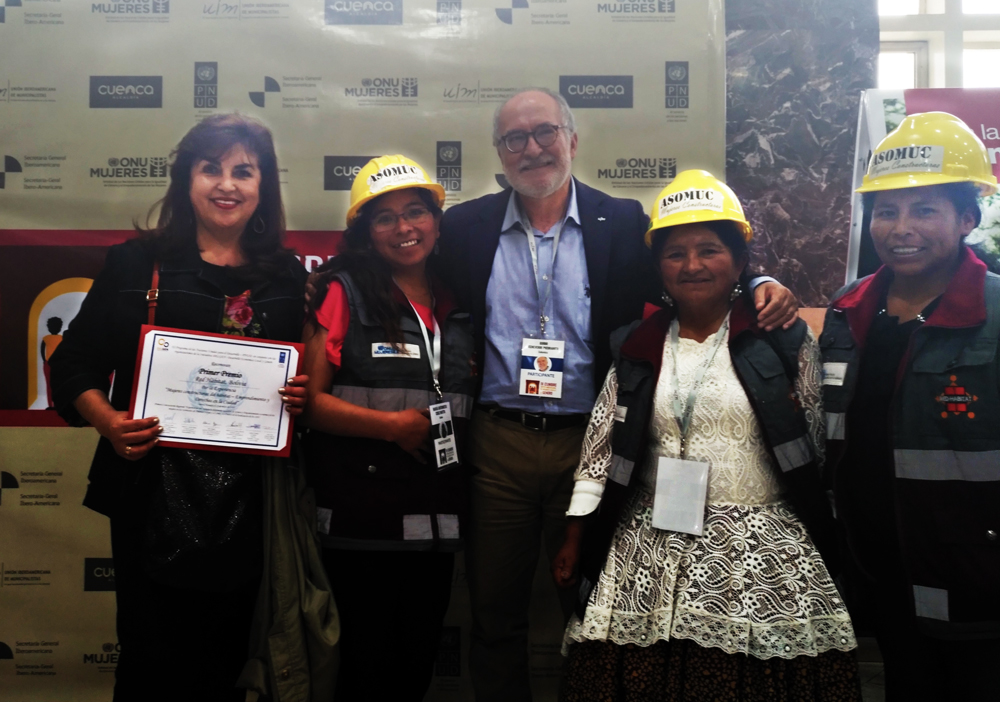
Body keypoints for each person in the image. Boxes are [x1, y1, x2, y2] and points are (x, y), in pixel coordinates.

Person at [437, 87, 800, 701]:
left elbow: (695, 266)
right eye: (515, 138)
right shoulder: (465, 226)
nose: (532, 148)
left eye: (546, 132)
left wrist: (761, 279)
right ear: (499, 152)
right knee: (494, 612)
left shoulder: (624, 221)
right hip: (497, 445)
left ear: (572, 140)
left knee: (593, 609)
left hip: (593, 446)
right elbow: (409, 280)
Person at [552, 170, 860, 701]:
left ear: (740, 262)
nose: (691, 265)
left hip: (758, 550)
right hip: (648, 546)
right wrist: (577, 534)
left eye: (709, 250)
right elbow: (599, 447)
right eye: (675, 254)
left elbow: (814, 444)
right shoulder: (638, 345)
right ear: (658, 268)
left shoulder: (783, 340)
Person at [49, 114, 311, 701]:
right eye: (211, 168)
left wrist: (300, 395)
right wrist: (110, 423)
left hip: (251, 500)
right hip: (146, 491)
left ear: (264, 185)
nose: (227, 184)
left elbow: (302, 381)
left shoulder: (287, 277)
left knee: (228, 661)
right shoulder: (136, 263)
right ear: (186, 180)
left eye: (244, 171)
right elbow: (73, 365)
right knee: (151, 661)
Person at [822, 111, 1000, 700]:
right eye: (887, 211)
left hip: (979, 579)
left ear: (967, 218)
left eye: (924, 210)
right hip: (879, 566)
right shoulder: (848, 310)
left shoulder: (995, 312)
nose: (901, 228)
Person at [301, 155, 477, 701]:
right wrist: (389, 427)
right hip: (363, 521)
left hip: (436, 519)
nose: (404, 227)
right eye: (385, 217)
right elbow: (308, 404)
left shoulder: (458, 301)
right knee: (365, 668)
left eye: (416, 212)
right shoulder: (342, 292)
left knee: (414, 665)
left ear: (436, 222)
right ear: (365, 232)